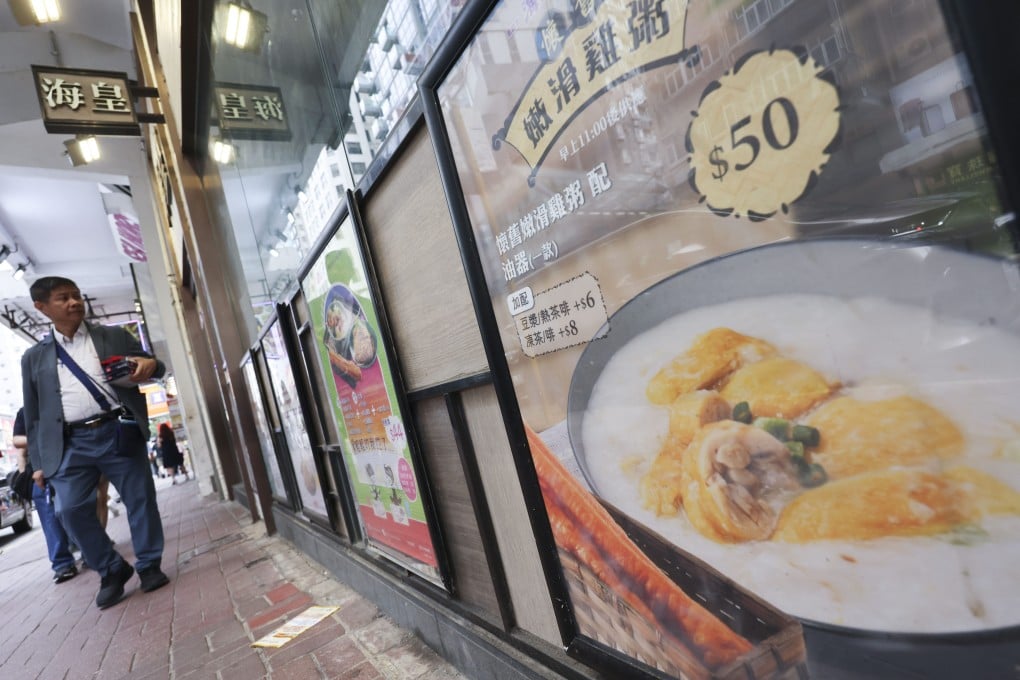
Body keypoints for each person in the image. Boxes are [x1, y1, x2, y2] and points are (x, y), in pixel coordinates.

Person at [22, 276, 170, 610]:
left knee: (140, 499)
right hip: (69, 443)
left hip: (118, 429)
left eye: (76, 295)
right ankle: (111, 568)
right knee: (68, 509)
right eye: (63, 298)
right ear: (41, 307)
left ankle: (149, 565)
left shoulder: (113, 335)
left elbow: (156, 366)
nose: (74, 302)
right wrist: (37, 463)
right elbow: (34, 414)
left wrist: (151, 365)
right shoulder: (33, 357)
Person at [12, 408, 78, 583]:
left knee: (76, 510)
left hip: (68, 464)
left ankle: (89, 551)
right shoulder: (25, 410)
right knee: (50, 519)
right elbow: (17, 441)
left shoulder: (60, 402)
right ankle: (62, 564)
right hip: (39, 472)